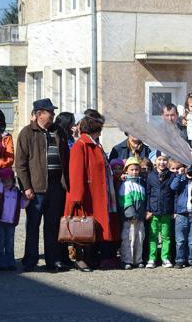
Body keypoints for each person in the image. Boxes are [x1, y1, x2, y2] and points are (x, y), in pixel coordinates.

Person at [15, 98, 70, 272]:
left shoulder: (58, 131)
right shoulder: (27, 133)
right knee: (33, 225)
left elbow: (66, 158)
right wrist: (26, 187)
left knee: (52, 225)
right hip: (36, 188)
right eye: (50, 112)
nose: (53, 115)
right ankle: (30, 260)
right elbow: (21, 163)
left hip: (56, 187)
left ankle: (52, 260)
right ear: (39, 114)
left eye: (53, 112)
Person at [64, 110, 117, 272]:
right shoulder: (80, 146)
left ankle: (90, 257)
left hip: (96, 194)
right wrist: (77, 197)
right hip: (84, 195)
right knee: (81, 229)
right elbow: (76, 173)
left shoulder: (94, 144)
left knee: (92, 228)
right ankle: (79, 258)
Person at [0, 167, 28, 271]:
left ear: (13, 180)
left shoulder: (16, 192)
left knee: (10, 243)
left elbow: (22, 205)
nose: (6, 182)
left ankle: (10, 262)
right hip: (0, 221)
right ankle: (0, 262)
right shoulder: (0, 191)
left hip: (11, 222)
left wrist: (26, 199)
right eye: (3, 180)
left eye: (8, 180)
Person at [146, 154, 175, 269]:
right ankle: (152, 258)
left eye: (164, 160)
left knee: (166, 237)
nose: (162, 162)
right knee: (153, 236)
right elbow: (148, 194)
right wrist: (148, 209)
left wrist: (174, 210)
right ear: (155, 161)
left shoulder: (172, 175)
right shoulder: (150, 176)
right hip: (153, 211)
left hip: (166, 211)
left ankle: (165, 258)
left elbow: (174, 195)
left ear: (168, 162)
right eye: (159, 160)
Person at [170, 159, 192, 269]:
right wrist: (179, 175)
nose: (189, 171)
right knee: (180, 240)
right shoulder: (181, 179)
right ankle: (179, 259)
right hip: (181, 213)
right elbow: (173, 187)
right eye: (187, 168)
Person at [118, 157, 147, 270]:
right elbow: (126, 200)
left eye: (136, 169)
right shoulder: (126, 184)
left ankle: (138, 259)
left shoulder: (141, 184)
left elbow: (143, 201)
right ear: (126, 171)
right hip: (129, 218)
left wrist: (142, 214)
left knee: (140, 238)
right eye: (132, 170)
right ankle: (127, 260)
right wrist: (131, 214)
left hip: (140, 217)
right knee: (128, 238)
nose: (134, 172)